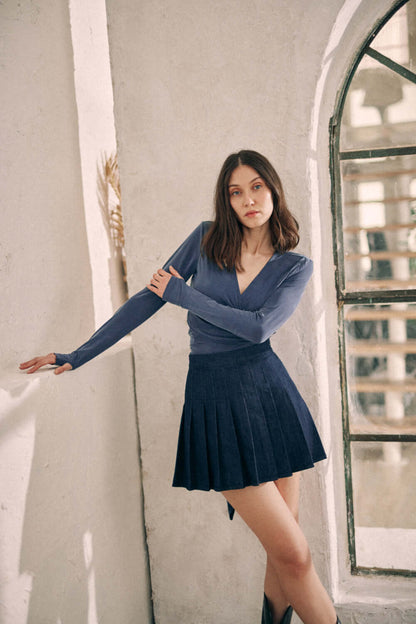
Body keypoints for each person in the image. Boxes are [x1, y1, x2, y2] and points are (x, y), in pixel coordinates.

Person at [20, 150, 341, 624]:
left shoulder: (295, 267)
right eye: (236, 192)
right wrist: (79, 353)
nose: (248, 199)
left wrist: (185, 296)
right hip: (216, 402)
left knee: (285, 555)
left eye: (257, 187)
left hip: (271, 399)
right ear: (226, 200)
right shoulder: (205, 239)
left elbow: (257, 329)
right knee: (295, 555)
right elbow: (146, 302)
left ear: (273, 189)